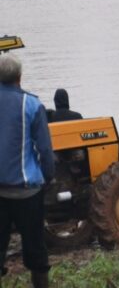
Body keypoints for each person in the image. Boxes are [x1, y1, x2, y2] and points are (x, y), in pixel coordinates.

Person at [0, 55, 54, 288]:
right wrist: (47, 177)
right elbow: (44, 149)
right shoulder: (31, 104)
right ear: (20, 77)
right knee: (35, 249)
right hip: (27, 193)